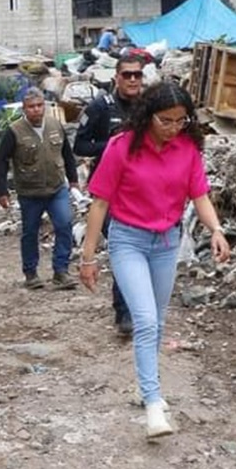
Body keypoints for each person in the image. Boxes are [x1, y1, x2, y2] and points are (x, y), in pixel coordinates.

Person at [78, 82, 230, 440]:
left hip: (167, 241)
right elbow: (99, 204)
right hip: (128, 239)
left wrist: (217, 230)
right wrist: (88, 258)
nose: (173, 127)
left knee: (157, 321)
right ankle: (152, 403)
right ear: (148, 115)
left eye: (181, 120)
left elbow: (200, 195)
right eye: (165, 120)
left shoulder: (188, 148)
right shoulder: (122, 147)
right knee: (144, 320)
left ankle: (148, 386)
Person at [73, 53, 147, 336]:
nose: (131, 79)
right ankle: (124, 313)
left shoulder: (148, 106)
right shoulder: (101, 107)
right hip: (109, 191)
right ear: (116, 77)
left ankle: (141, 305)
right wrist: (114, 146)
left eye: (136, 75)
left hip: (142, 189)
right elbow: (80, 145)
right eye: (126, 74)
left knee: (142, 249)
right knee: (123, 247)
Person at [0, 88, 81, 290]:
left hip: (56, 188)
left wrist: (74, 180)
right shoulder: (14, 131)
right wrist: (2, 191)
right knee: (30, 232)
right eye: (31, 107)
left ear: (45, 106)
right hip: (29, 192)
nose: (36, 110)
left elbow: (67, 154)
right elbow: (1, 162)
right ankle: (31, 273)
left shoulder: (55, 125)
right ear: (24, 109)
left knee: (64, 224)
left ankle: (61, 271)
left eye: (39, 105)